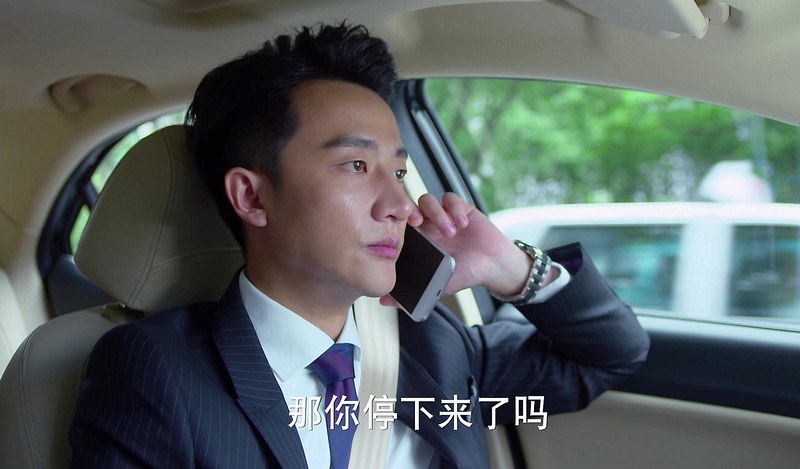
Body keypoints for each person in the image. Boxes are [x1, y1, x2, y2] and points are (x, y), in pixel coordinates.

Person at [69, 22, 649, 469]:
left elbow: (606, 358)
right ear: (252, 197)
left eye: (397, 172)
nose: (399, 204)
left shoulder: (430, 345)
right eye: (355, 165)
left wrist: (510, 266)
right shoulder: (158, 370)